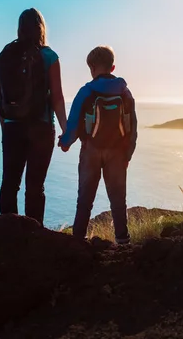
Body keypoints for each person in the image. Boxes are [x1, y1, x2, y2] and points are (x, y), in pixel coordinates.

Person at [59, 45, 137, 244]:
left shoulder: (86, 91)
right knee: (118, 200)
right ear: (112, 67)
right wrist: (127, 155)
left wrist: (65, 142)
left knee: (85, 200)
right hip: (118, 153)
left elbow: (74, 122)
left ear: (92, 67)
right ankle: (123, 242)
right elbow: (132, 128)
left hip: (91, 151)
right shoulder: (125, 93)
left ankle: (78, 241)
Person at [0, 8, 67, 225]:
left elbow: (0, 99)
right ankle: (34, 236)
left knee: (10, 183)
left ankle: (8, 234)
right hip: (41, 127)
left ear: (19, 28)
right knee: (35, 187)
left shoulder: (5, 55)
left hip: (12, 127)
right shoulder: (49, 56)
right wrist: (67, 130)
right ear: (41, 28)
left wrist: (5, 129)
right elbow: (57, 98)